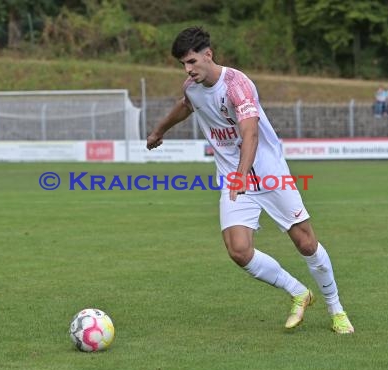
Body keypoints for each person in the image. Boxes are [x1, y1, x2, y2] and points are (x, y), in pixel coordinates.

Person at [146, 26, 354, 334]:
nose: (188, 70)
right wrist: (159, 131)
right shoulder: (192, 87)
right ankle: (299, 292)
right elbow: (186, 106)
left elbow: (250, 132)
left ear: (208, 54)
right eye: (183, 65)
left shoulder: (237, 85)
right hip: (235, 179)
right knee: (238, 250)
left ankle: (336, 309)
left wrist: (242, 174)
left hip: (269, 174)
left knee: (305, 243)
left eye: (192, 62)